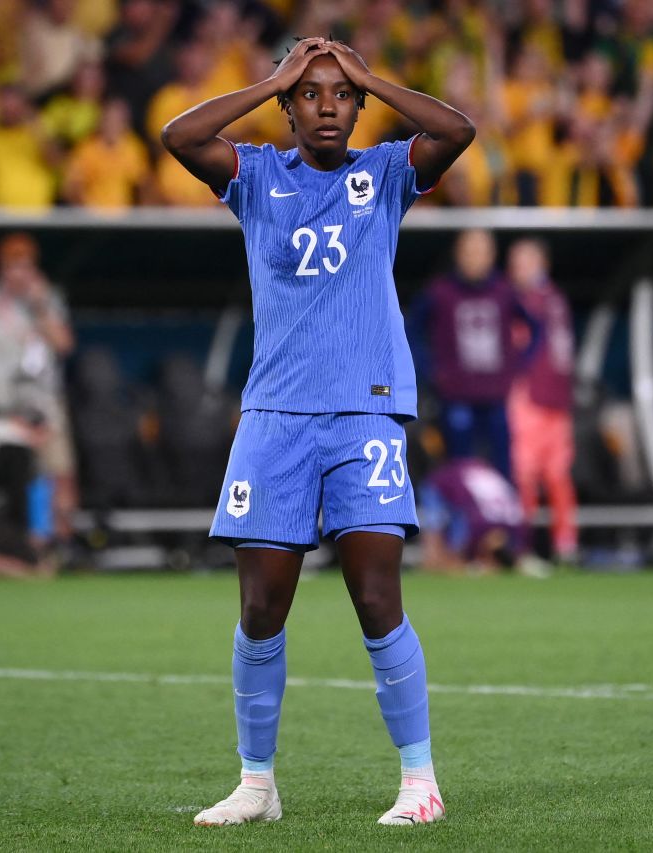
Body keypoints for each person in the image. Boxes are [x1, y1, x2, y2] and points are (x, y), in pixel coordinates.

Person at [161, 37, 473, 827]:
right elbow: (180, 138)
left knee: (375, 594)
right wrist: (270, 78)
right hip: (275, 418)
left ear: (360, 104)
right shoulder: (258, 176)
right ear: (288, 106)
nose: (327, 104)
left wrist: (371, 75)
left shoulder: (388, 173)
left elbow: (457, 132)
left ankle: (419, 781)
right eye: (310, 92)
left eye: (341, 93)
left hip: (365, 411)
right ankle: (257, 784)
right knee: (262, 607)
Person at [0, 233, 77, 558]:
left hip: (41, 404)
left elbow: (63, 344)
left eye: (24, 266)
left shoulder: (47, 298)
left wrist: (39, 305)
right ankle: (18, 542)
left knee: (58, 471)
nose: (17, 273)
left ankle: (61, 542)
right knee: (5, 476)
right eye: (11, 266)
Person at [413, 229, 524, 478]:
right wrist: (428, 370)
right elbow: (411, 329)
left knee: (501, 468)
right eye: (469, 252)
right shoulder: (440, 291)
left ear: (492, 256)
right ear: (458, 254)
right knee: (459, 468)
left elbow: (536, 328)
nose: (474, 258)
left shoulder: (504, 291)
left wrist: (518, 365)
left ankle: (500, 516)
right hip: (455, 396)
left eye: (481, 252)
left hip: (495, 397)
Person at [505, 239, 579, 565]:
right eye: (515, 262)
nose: (518, 269)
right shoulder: (556, 298)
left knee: (536, 476)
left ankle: (538, 546)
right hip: (553, 399)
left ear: (542, 263)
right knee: (548, 477)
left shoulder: (527, 301)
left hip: (535, 398)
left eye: (526, 261)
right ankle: (555, 546)